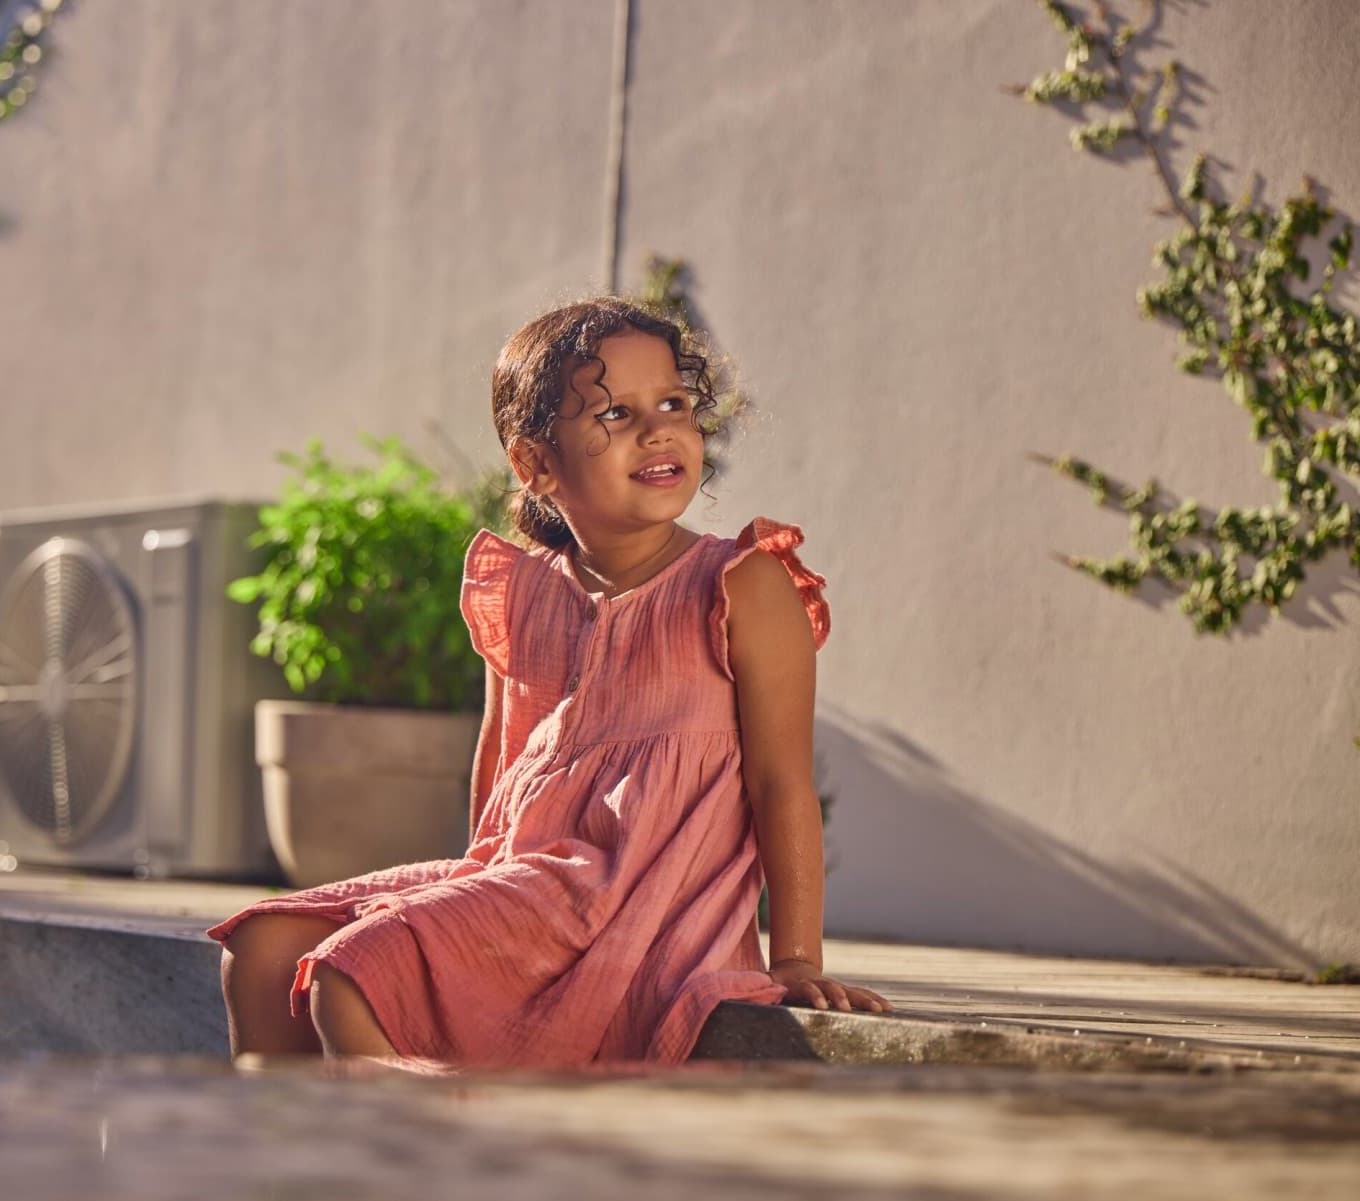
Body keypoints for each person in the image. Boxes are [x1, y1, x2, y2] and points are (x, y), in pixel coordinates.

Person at [208, 295, 892, 1073]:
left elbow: (780, 781)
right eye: (616, 413)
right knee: (261, 950)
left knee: (354, 973)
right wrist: (465, 925)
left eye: (673, 402)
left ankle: (445, 1166)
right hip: (526, 885)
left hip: (639, 908)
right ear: (535, 464)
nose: (659, 428)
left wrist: (796, 957)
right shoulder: (525, 590)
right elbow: (499, 768)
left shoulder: (739, 583)